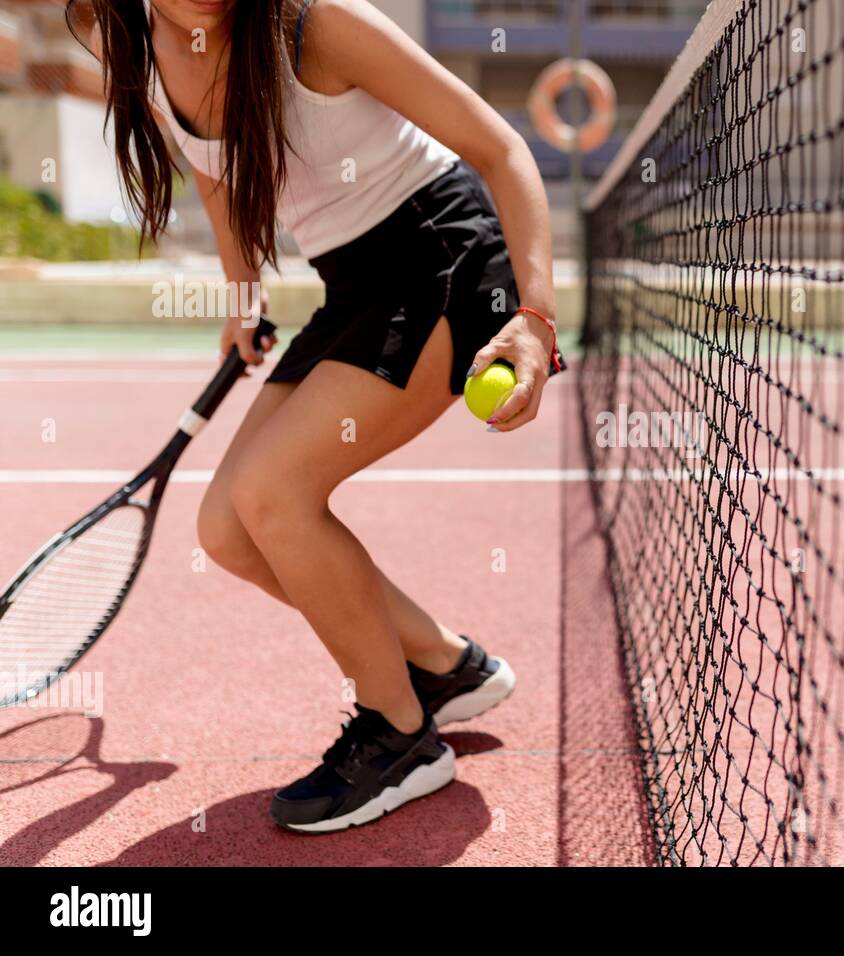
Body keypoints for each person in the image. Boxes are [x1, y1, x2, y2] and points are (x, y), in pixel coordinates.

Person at [67, 0, 562, 832]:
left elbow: (500, 147)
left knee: (272, 496)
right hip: (356, 284)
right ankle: (442, 665)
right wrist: (242, 295)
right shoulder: (138, 44)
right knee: (228, 529)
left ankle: (402, 733)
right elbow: (215, 171)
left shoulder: (315, 23)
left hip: (441, 258)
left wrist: (538, 320)